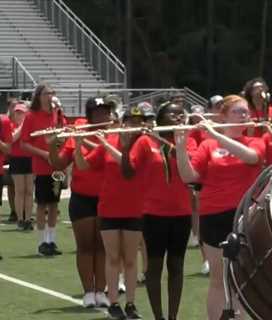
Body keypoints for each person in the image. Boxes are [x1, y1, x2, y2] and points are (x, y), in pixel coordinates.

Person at [175, 94, 265, 320]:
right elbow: (189, 177)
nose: (244, 115)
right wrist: (180, 148)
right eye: (237, 112)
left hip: (243, 215)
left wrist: (215, 133)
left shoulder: (255, 141)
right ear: (224, 116)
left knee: (243, 277)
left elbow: (251, 157)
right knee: (218, 278)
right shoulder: (207, 145)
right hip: (213, 215)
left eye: (246, 111)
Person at [122, 102, 197, 320]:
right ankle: (158, 317)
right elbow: (128, 173)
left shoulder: (188, 141)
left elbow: (192, 169)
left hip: (182, 213)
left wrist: (181, 143)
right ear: (161, 118)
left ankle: (173, 316)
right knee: (154, 266)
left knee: (177, 265)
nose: (178, 117)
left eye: (181, 114)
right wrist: (126, 147)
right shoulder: (146, 141)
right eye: (173, 114)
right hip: (153, 214)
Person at [74, 105, 146, 319]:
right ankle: (113, 302)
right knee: (112, 258)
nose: (135, 126)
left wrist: (104, 142)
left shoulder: (143, 143)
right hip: (110, 207)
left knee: (131, 259)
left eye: (139, 122)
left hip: (134, 207)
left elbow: (129, 166)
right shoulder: (112, 140)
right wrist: (78, 145)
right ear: (123, 123)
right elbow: (84, 165)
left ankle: (131, 303)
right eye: (131, 122)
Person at [48, 96, 113, 308]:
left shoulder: (113, 134)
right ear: (90, 115)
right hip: (82, 198)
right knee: (85, 246)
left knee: (103, 246)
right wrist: (52, 144)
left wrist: (87, 138)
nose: (103, 116)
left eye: (106, 112)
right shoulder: (77, 133)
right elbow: (59, 163)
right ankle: (88, 292)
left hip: (107, 198)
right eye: (98, 113)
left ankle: (101, 291)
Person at [20, 83, 65, 256]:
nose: (50, 96)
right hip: (41, 166)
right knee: (42, 204)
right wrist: (44, 154)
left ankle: (51, 240)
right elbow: (24, 143)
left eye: (52, 93)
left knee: (54, 203)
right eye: (47, 93)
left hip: (56, 166)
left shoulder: (56, 114)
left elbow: (61, 135)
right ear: (39, 96)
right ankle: (41, 242)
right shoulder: (31, 116)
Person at [9, 102, 33, 231]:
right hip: (17, 160)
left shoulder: (30, 126)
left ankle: (28, 219)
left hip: (30, 159)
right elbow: (12, 138)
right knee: (19, 191)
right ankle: (20, 219)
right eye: (17, 112)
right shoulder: (11, 125)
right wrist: (23, 125)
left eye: (22, 112)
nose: (19, 115)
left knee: (29, 191)